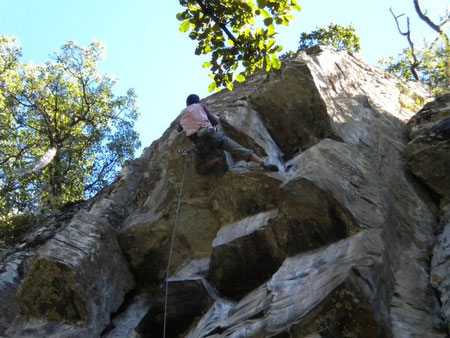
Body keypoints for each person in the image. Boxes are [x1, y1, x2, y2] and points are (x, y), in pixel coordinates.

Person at [177, 94, 279, 172]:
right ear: (197, 101)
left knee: (199, 169)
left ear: (187, 103)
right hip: (212, 135)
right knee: (239, 149)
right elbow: (214, 120)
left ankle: (215, 161)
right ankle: (262, 163)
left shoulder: (182, 113)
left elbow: (179, 129)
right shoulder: (200, 106)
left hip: (200, 143)